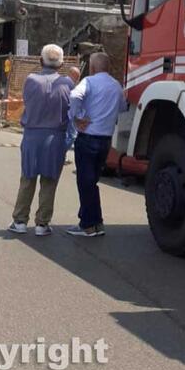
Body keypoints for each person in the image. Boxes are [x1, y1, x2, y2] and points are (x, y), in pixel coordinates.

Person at [8, 44, 74, 237]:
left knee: (28, 178)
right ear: (61, 63)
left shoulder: (31, 80)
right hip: (55, 136)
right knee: (49, 180)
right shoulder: (67, 84)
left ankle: (20, 220)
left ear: (40, 60)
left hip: (32, 134)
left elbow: (27, 101)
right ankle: (42, 223)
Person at [66, 52, 128, 237]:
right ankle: (96, 221)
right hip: (105, 141)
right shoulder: (116, 85)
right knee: (92, 182)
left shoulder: (89, 82)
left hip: (88, 137)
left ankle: (87, 225)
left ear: (92, 68)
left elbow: (74, 96)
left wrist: (76, 118)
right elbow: (123, 107)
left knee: (85, 183)